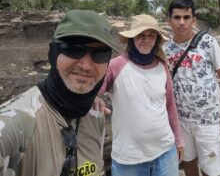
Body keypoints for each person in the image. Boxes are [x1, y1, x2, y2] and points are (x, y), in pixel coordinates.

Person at [0, 10, 118, 176]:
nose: (86, 65)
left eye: (99, 53)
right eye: (74, 49)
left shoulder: (95, 115)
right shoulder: (13, 127)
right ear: (53, 52)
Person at [98, 14, 184, 176]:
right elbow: (96, 90)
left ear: (156, 40)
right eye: (141, 35)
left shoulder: (162, 66)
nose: (146, 40)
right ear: (132, 38)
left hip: (165, 152)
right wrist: (95, 98)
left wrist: (178, 141)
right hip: (129, 160)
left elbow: (170, 106)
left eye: (151, 35)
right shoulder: (116, 65)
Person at [163, 0, 220, 176]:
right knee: (188, 163)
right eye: (177, 17)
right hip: (180, 120)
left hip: (208, 119)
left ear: (193, 20)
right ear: (169, 21)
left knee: (211, 170)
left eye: (186, 17)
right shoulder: (165, 49)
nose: (182, 22)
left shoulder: (208, 42)